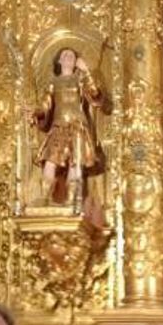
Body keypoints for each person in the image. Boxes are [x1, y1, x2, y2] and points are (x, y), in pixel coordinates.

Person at [33, 46, 110, 207]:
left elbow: (95, 93)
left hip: (78, 126)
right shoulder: (53, 82)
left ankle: (71, 200)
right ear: (59, 61)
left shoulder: (80, 81)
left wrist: (86, 71)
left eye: (72, 56)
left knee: (76, 163)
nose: (69, 57)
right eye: (65, 55)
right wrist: (34, 112)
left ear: (76, 62)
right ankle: (45, 197)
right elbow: (44, 105)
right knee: (51, 161)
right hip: (59, 125)